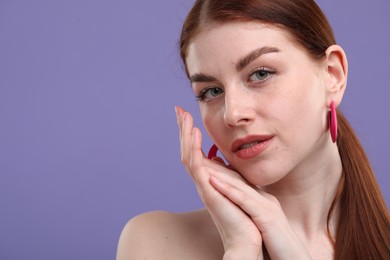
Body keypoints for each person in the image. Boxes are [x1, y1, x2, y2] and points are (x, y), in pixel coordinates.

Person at [116, 0, 390, 259]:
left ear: (332, 75)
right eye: (211, 91)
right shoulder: (157, 244)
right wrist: (241, 249)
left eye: (260, 74)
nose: (232, 113)